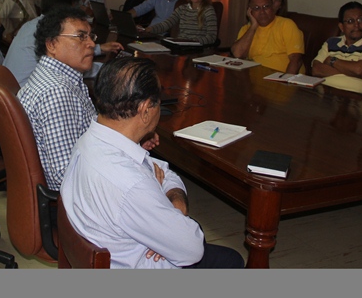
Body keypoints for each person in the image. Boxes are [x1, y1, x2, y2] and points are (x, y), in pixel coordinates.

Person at [60, 56, 245, 269]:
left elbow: (163, 171)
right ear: (146, 109)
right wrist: (161, 197)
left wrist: (175, 204)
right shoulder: (131, 182)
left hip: (116, 245)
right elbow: (192, 250)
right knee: (229, 258)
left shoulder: (93, 139)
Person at [18, 6, 133, 191]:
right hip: (79, 195)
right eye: (80, 37)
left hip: (90, 162)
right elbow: (65, 174)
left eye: (90, 37)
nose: (91, 44)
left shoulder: (57, 77)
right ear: (52, 45)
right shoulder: (57, 93)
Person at [4, 0, 122, 88]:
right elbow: (73, 67)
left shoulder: (32, 24)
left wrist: (98, 49)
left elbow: (71, 51)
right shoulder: (51, 31)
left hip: (13, 90)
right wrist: (111, 70)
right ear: (65, 9)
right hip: (28, 94)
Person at [311, 1, 362, 94]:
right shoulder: (331, 42)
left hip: (355, 98)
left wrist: (331, 60)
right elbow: (316, 69)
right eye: (350, 21)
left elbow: (359, 70)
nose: (356, 25)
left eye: (360, 20)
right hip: (324, 93)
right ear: (341, 27)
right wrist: (352, 72)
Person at [231, 0, 304, 74]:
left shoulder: (286, 25)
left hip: (283, 78)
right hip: (257, 79)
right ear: (250, 11)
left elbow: (296, 60)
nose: (262, 11)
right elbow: (238, 54)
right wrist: (254, 26)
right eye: (256, 8)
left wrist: (286, 82)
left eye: (266, 6)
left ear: (272, 7)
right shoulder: (247, 29)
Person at [145, 0, 218, 45]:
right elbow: (166, 24)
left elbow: (211, 37)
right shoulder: (182, 9)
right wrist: (149, 29)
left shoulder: (208, 10)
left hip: (197, 49)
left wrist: (193, 43)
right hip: (180, 46)